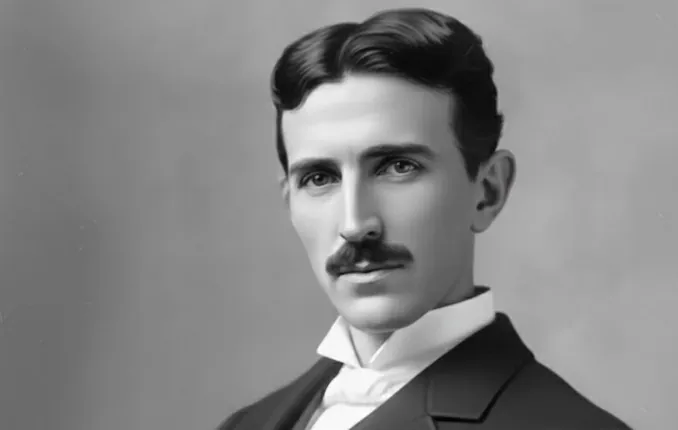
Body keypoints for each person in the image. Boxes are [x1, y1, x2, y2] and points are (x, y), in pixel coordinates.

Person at [219, 7, 630, 430]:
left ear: (487, 192)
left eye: (399, 167)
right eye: (319, 178)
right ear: (290, 201)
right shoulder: (248, 424)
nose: (355, 225)